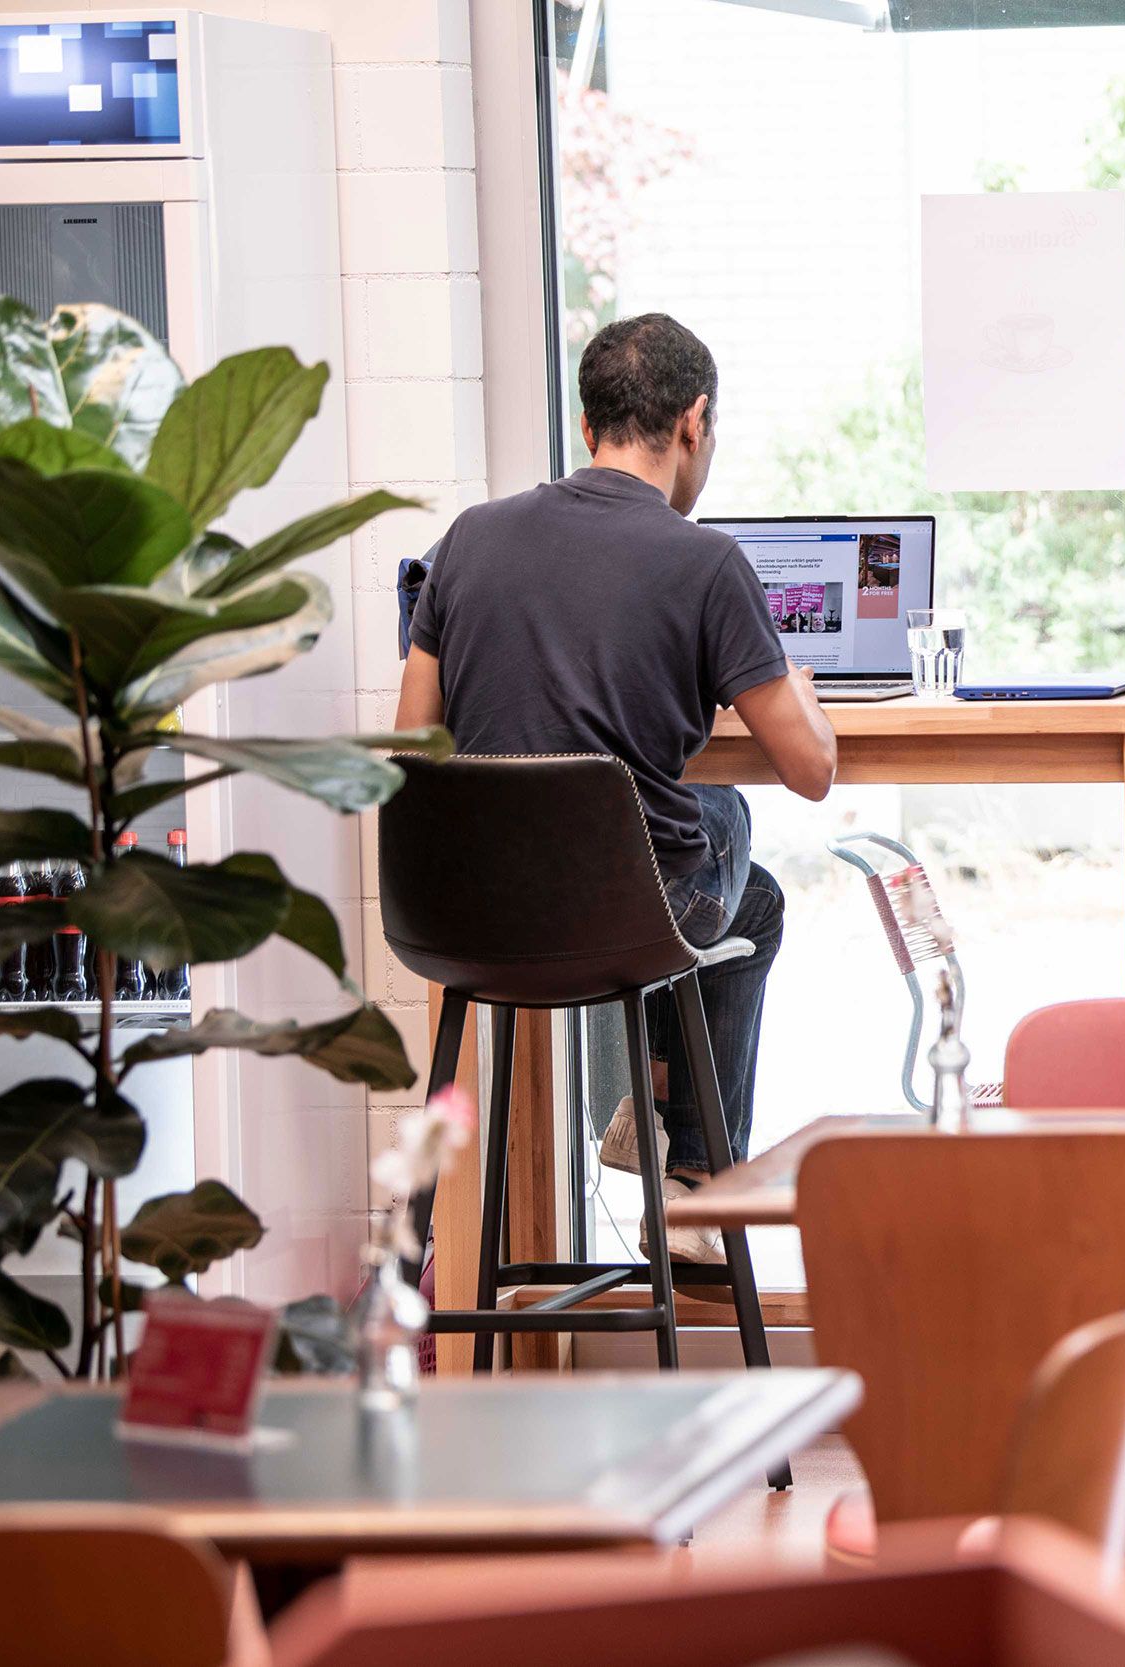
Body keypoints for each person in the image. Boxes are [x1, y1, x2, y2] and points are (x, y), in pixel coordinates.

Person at [394, 312, 840, 1263]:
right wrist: (792, 689)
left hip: (469, 918)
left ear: (588, 427)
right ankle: (689, 1187)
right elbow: (811, 771)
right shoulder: (705, 562)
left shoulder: (467, 541)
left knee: (699, 864)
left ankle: (654, 1127)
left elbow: (411, 745)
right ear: (695, 421)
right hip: (623, 918)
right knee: (735, 854)